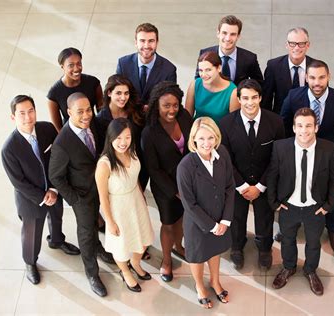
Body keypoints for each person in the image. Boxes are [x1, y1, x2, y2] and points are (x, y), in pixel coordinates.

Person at [1, 95, 80, 285]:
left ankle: (57, 240)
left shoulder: (47, 129)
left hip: (54, 188)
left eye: (31, 111)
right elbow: (18, 182)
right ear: (13, 117)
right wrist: (43, 196)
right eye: (22, 113)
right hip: (31, 199)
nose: (28, 117)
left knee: (56, 217)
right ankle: (30, 262)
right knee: (32, 234)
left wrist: (53, 189)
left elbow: (58, 159)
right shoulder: (9, 149)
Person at [279, 59, 334, 253]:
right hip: (299, 150)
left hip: (328, 154)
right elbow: (283, 123)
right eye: (312, 77)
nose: (317, 82)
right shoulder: (294, 96)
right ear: (306, 77)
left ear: (328, 76)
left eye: (322, 77)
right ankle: (291, 225)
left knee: (331, 188)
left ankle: (333, 228)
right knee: (296, 184)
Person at [267, 108, 334, 296]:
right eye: (299, 126)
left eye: (308, 126)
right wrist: (274, 203)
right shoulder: (280, 147)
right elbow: (272, 176)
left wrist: (328, 206)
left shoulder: (329, 149)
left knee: (313, 243)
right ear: (293, 127)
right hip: (288, 206)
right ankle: (289, 267)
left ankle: (310, 270)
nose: (304, 130)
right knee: (287, 240)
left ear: (316, 127)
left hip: (315, 208)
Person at [49, 92, 115, 297]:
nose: (87, 115)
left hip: (100, 187)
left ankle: (99, 248)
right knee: (86, 233)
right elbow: (55, 177)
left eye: (88, 109)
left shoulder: (91, 123)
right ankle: (92, 273)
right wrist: (75, 199)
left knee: (98, 223)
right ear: (68, 113)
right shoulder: (62, 144)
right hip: (81, 195)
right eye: (80, 112)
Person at [220, 79, 285, 271]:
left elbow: (277, 157)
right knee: (236, 217)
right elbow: (226, 159)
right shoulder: (226, 123)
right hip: (236, 182)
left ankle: (265, 249)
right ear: (239, 99)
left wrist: (260, 186)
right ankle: (236, 248)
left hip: (264, 182)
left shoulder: (275, 122)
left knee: (265, 217)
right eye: (245, 98)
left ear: (261, 98)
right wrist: (241, 186)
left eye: (254, 97)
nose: (250, 102)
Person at [177, 117, 235, 309]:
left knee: (215, 251)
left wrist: (225, 220)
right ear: (193, 139)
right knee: (198, 256)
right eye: (201, 139)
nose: (206, 143)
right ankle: (200, 286)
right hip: (198, 223)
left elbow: (229, 186)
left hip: (220, 218)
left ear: (216, 137)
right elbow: (189, 203)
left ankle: (215, 282)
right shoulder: (185, 166)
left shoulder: (222, 153)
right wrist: (212, 225)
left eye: (211, 138)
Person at [95, 118, 154, 293]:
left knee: (143, 237)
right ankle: (125, 270)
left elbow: (135, 179)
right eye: (119, 138)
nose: (123, 142)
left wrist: (142, 198)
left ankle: (135, 263)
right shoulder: (104, 164)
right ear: (110, 138)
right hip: (118, 206)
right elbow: (103, 197)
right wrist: (110, 221)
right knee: (121, 245)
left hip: (135, 199)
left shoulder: (133, 152)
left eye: (127, 137)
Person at [141, 81, 191, 282]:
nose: (172, 110)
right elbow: (153, 169)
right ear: (156, 106)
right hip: (166, 188)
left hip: (187, 182)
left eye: (175, 105)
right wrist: (175, 191)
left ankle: (179, 247)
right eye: (166, 106)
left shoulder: (185, 117)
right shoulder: (149, 133)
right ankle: (167, 260)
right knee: (168, 223)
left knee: (181, 219)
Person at [117, 22, 177, 111]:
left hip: (156, 118)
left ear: (157, 42)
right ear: (136, 42)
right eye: (142, 41)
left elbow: (170, 100)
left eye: (151, 41)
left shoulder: (169, 69)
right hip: (129, 115)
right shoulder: (123, 64)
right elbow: (118, 94)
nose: (146, 46)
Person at [195, 15, 263, 86]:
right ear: (218, 34)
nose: (228, 38)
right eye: (224, 33)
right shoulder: (205, 54)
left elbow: (259, 85)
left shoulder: (250, 58)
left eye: (233, 34)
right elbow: (198, 81)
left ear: (238, 36)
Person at [47, 47, 103, 131]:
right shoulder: (54, 93)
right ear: (62, 67)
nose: (76, 68)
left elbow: (101, 112)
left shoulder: (93, 83)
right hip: (72, 135)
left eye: (79, 63)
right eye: (71, 65)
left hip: (94, 130)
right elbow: (58, 128)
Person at [262, 27, 314, 114]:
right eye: (292, 43)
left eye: (301, 44)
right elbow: (266, 100)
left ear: (307, 45)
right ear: (286, 45)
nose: (296, 48)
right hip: (280, 121)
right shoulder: (273, 66)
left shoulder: (317, 67)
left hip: (308, 122)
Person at [185, 51, 239, 124]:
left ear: (219, 68)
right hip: (196, 132)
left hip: (220, 134)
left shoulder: (233, 92)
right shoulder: (195, 84)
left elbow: (234, 125)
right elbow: (187, 118)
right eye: (201, 70)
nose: (203, 75)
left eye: (208, 70)